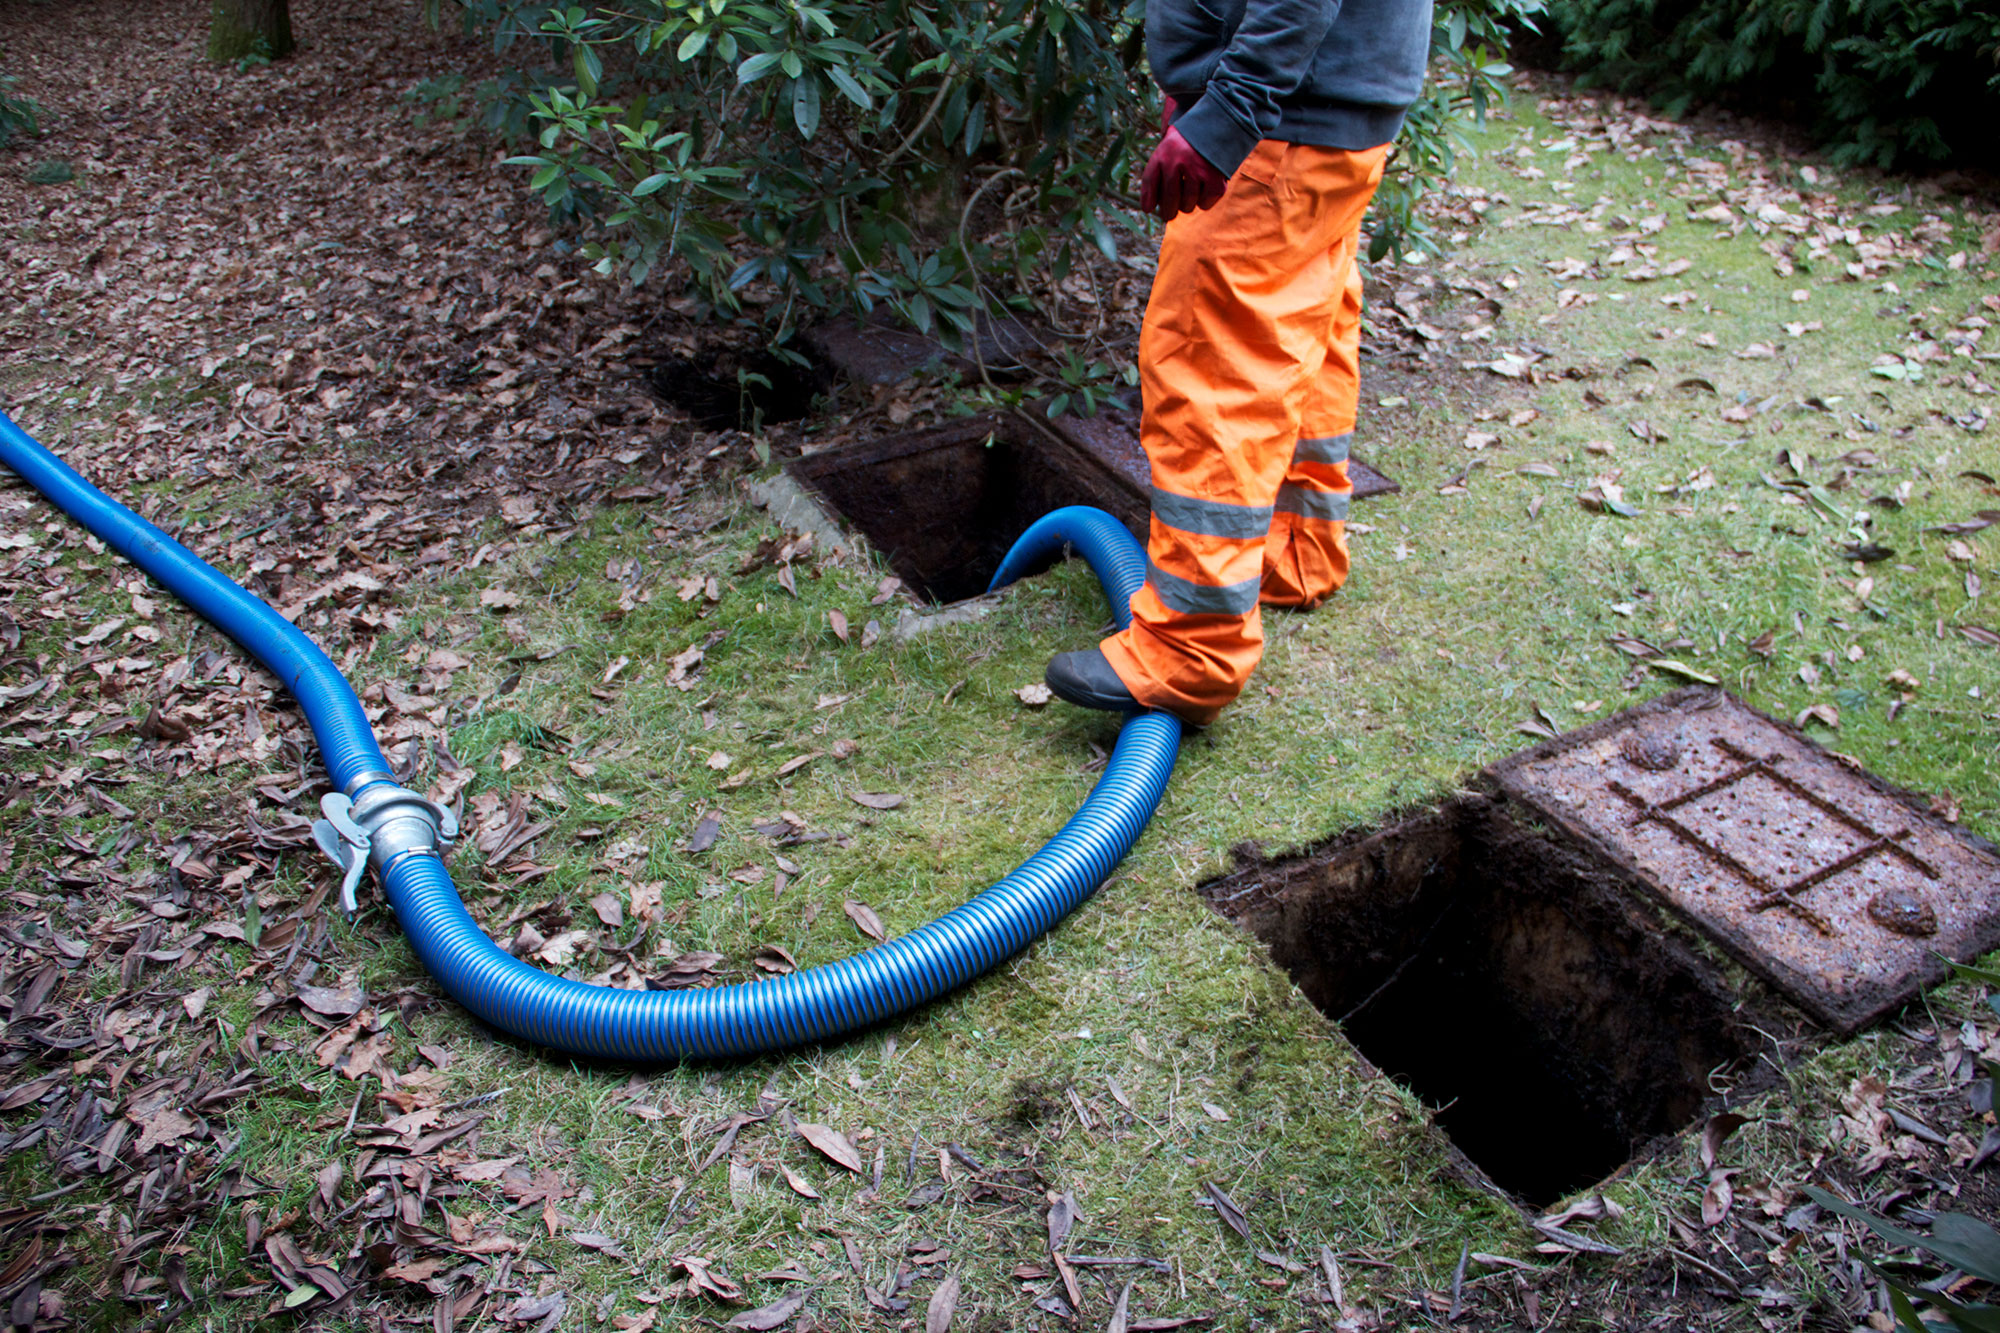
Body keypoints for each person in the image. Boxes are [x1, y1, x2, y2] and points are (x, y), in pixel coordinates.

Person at [1044, 0, 1435, 726]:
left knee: (1214, 368)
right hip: (1331, 112)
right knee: (1305, 331)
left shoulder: (1257, 112)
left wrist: (1227, 109)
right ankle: (1296, 549)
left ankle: (1190, 651)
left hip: (1278, 121)